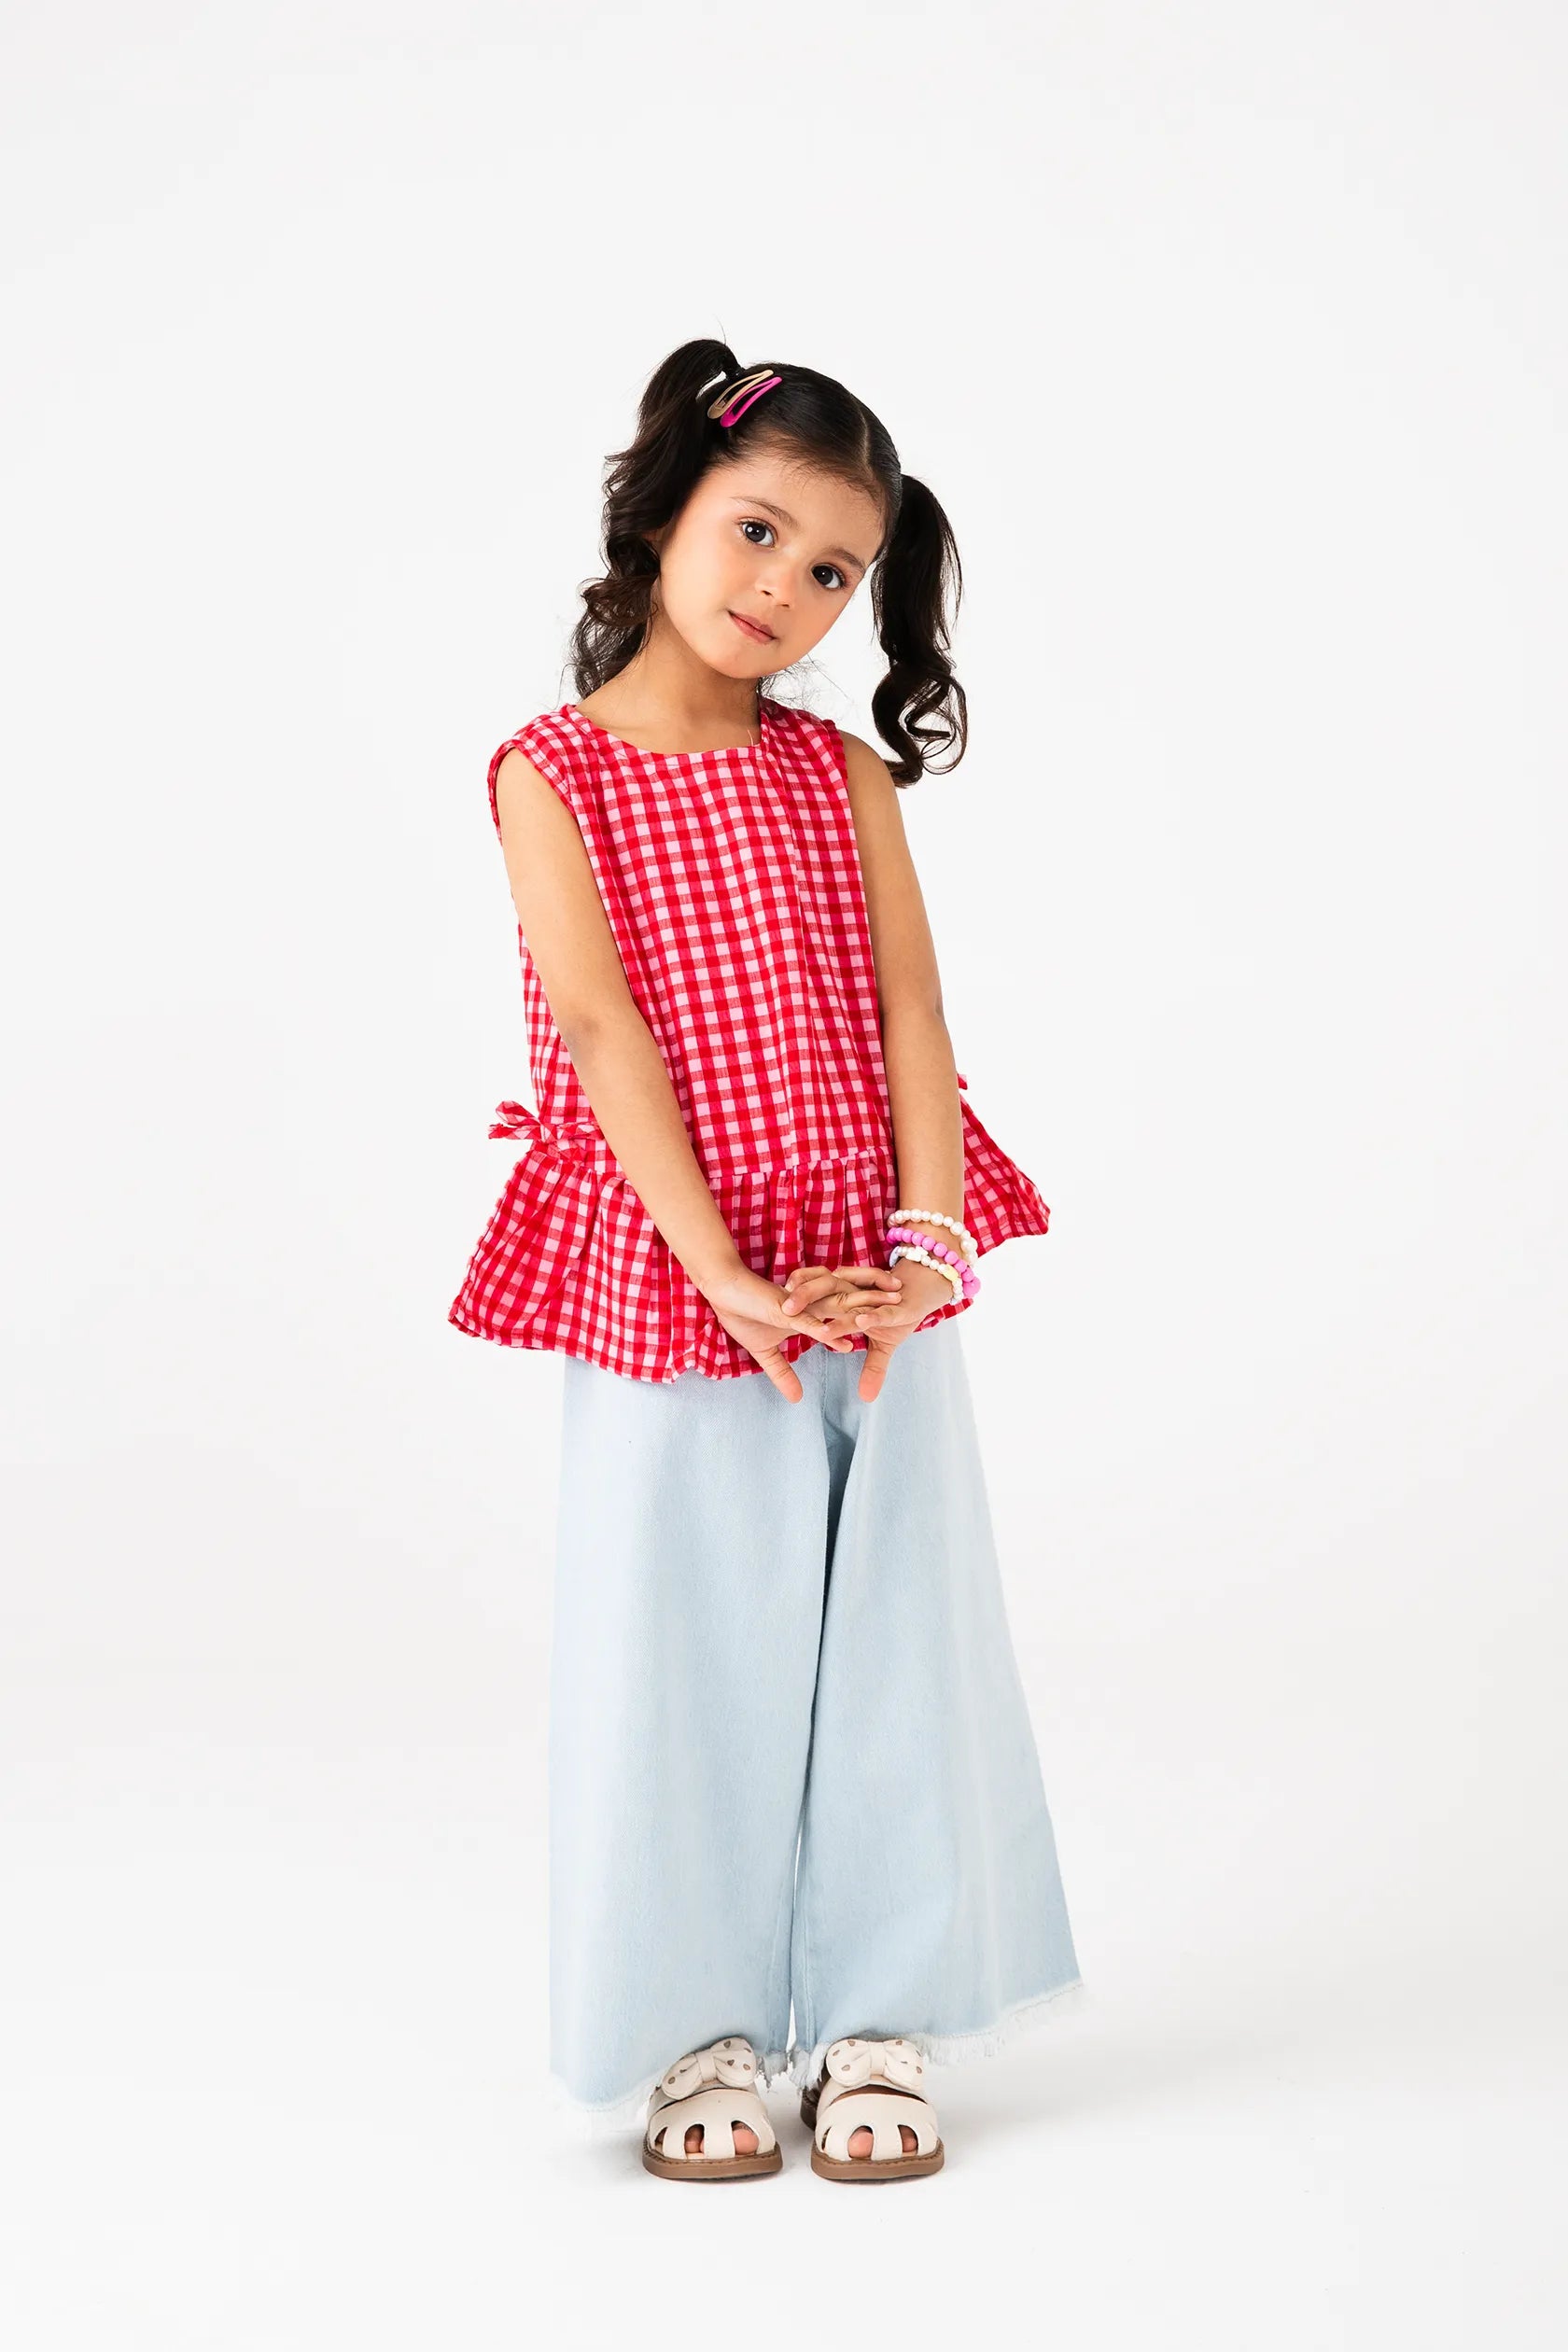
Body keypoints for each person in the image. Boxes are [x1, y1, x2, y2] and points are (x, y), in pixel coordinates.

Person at [448, 343, 1084, 2182]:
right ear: (662, 512)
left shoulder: (836, 776)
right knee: (684, 1651)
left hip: (867, 1267)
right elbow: (599, 1027)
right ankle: (692, 2026)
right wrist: (720, 1269)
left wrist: (924, 1244)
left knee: (900, 1636)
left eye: (830, 571)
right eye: (756, 531)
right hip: (677, 1280)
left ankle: (886, 2009)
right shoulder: (553, 774)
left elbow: (909, 1010)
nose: (783, 589)